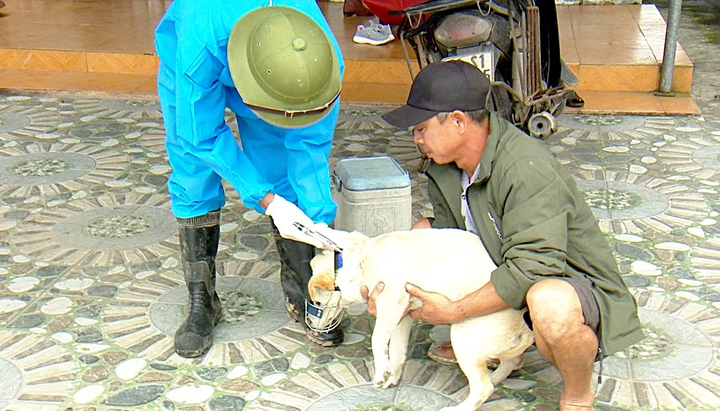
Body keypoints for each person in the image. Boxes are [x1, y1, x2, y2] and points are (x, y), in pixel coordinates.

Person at [366, 61, 643, 410]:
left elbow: (534, 267)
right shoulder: (444, 166)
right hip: (508, 265)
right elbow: (449, 237)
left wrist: (456, 312)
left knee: (549, 303)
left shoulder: (525, 168)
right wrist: (389, 285)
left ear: (457, 121)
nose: (416, 139)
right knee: (420, 233)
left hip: (570, 282)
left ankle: (577, 395)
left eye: (421, 128)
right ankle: (500, 341)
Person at [154, 2, 346, 358]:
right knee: (193, 175)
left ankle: (301, 284)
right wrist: (266, 200)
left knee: (280, 163)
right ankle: (202, 300)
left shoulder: (320, 63)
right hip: (197, 64)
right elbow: (202, 137)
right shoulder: (202, 38)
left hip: (277, 79)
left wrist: (319, 223)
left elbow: (310, 145)